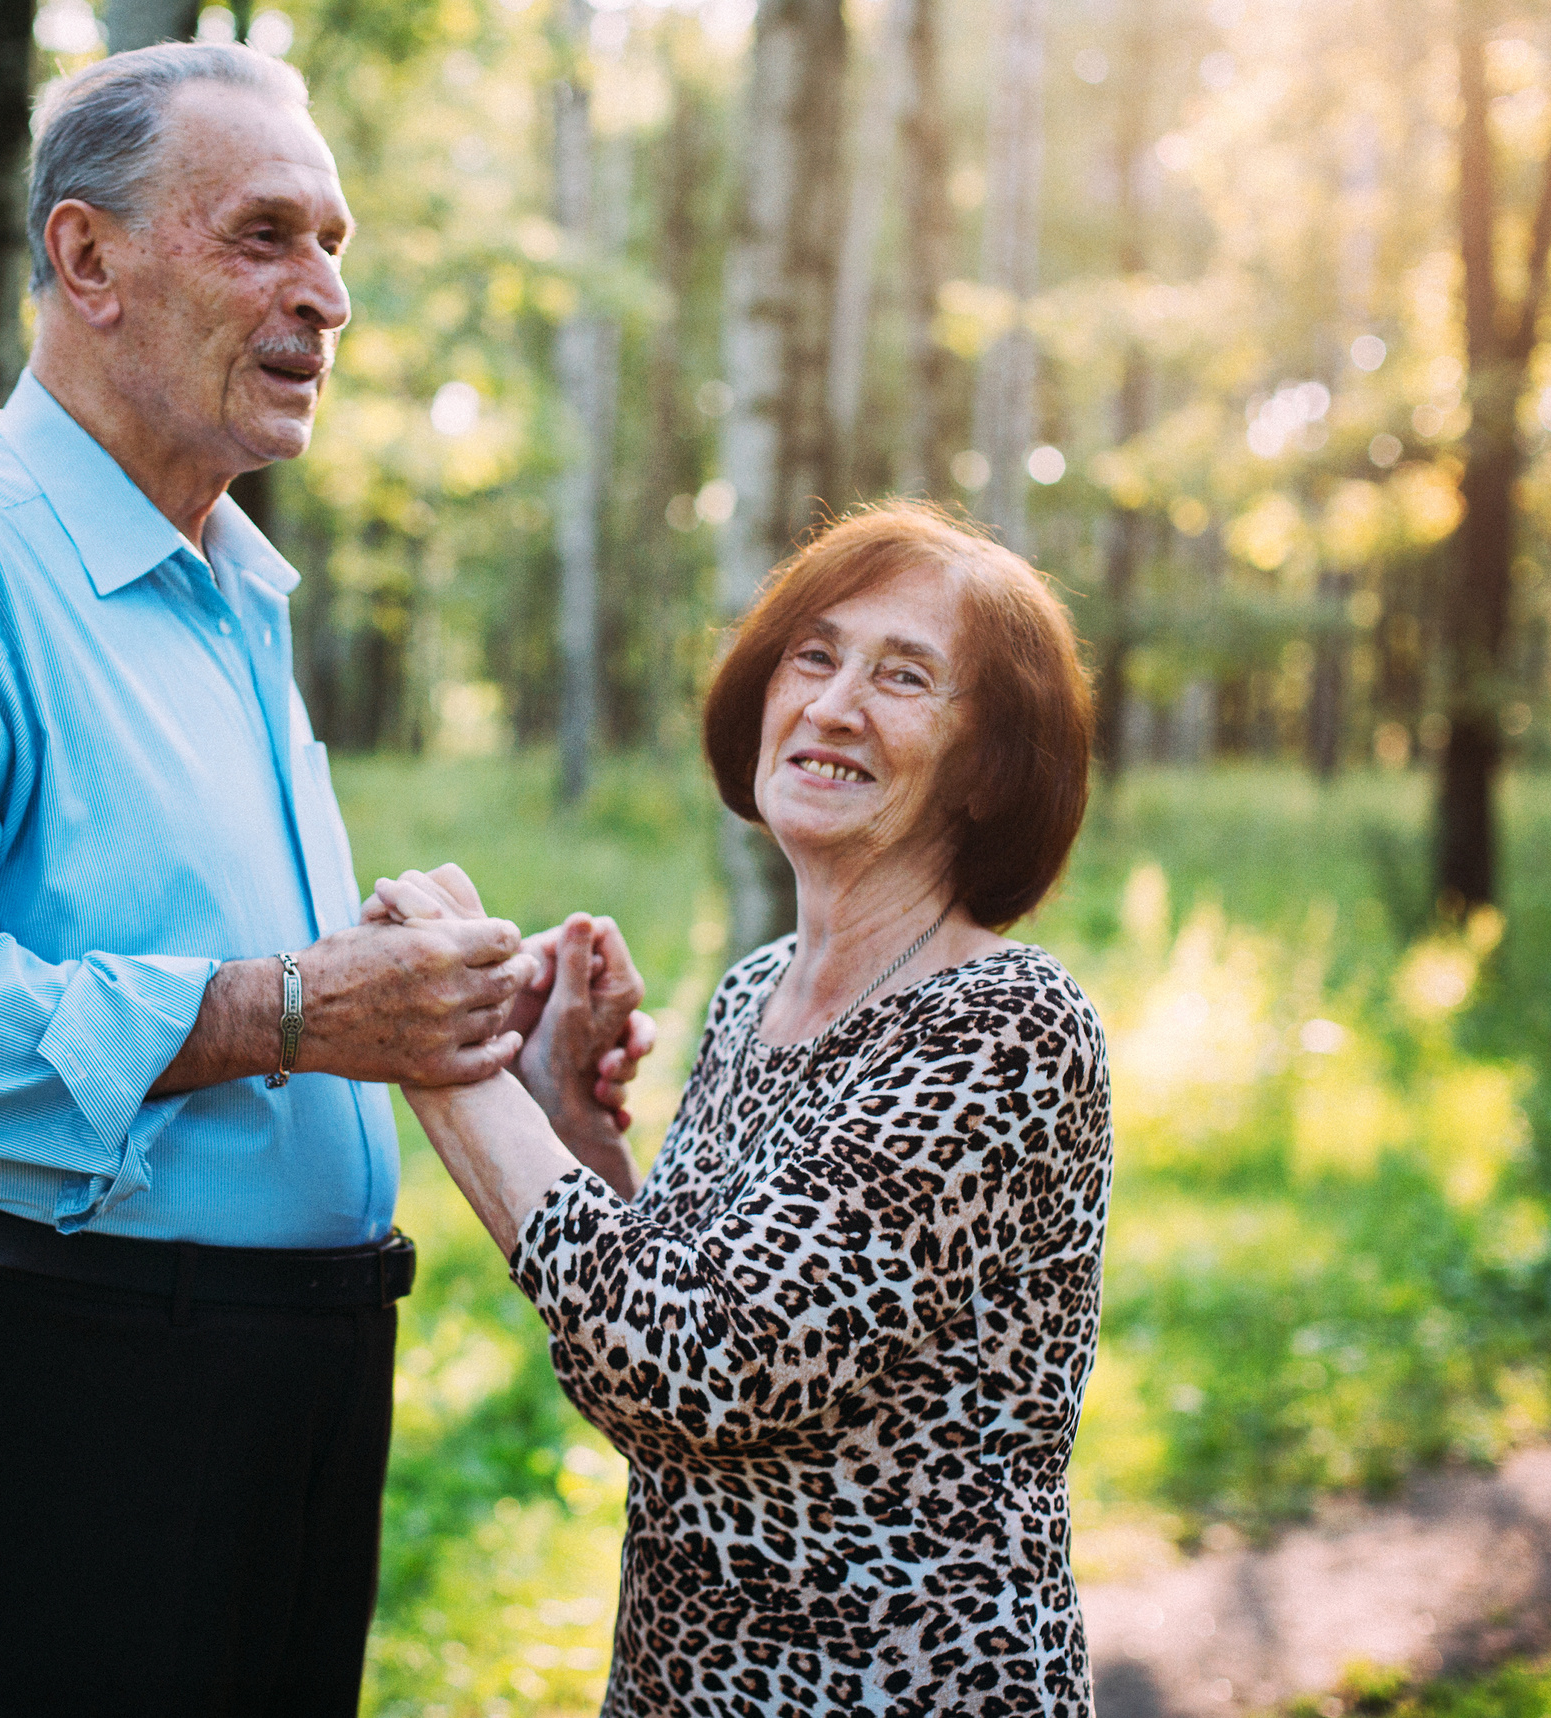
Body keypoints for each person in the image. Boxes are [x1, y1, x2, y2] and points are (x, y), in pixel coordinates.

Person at [0, 42, 650, 1716]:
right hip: (34, 1392)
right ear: (85, 258)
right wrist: (292, 1007)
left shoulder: (230, 583)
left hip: (270, 1390)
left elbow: (227, 992)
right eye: (264, 239)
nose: (327, 297)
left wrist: (457, 1035)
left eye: (337, 246)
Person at [383, 502, 1111, 1716]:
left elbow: (700, 1365)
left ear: (990, 765)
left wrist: (438, 1051)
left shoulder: (1005, 1027)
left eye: (906, 675)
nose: (832, 703)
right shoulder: (754, 995)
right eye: (813, 654)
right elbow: (657, 1363)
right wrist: (564, 1112)